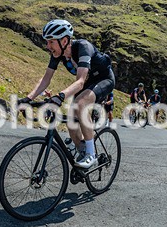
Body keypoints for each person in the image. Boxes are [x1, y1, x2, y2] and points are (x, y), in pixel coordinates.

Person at [18, 19, 115, 169]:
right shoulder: (58, 55)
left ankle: (91, 154)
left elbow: (81, 81)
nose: (47, 46)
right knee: (71, 120)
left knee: (80, 104)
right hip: (89, 83)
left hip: (104, 79)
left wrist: (60, 96)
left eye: (51, 42)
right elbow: (45, 80)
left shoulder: (83, 47)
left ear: (64, 41)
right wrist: (28, 98)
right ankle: (82, 150)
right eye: (47, 42)